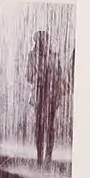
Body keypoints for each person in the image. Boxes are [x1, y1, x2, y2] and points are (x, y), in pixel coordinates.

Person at [26, 30, 61, 170]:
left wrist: (54, 81)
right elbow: (28, 76)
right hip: (39, 93)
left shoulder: (54, 56)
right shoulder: (32, 56)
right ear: (36, 42)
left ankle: (48, 157)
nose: (42, 43)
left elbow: (59, 76)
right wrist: (38, 76)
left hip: (51, 94)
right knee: (39, 126)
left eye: (44, 40)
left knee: (50, 126)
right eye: (39, 41)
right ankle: (40, 158)